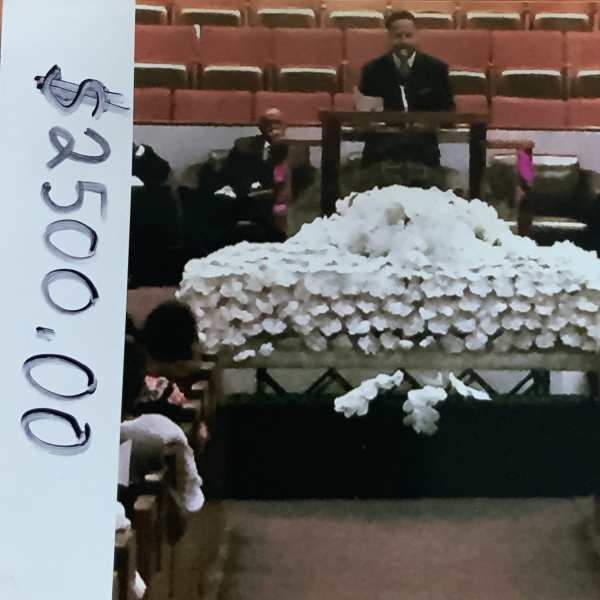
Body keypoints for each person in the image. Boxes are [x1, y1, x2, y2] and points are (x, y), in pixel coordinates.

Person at [358, 10, 455, 168]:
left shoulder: (436, 69)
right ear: (388, 38)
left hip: (423, 155)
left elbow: (448, 111)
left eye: (408, 36)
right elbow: (363, 115)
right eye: (398, 36)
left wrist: (429, 124)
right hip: (380, 154)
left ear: (417, 37)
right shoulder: (372, 70)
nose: (403, 41)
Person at [220, 108, 293, 237]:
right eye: (268, 123)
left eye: (277, 122)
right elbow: (231, 173)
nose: (273, 126)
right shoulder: (243, 146)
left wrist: (280, 144)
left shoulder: (296, 149)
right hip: (250, 195)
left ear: (285, 126)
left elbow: (296, 178)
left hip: (278, 198)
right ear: (260, 127)